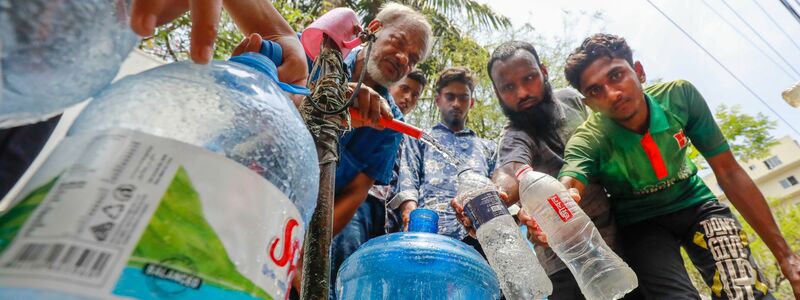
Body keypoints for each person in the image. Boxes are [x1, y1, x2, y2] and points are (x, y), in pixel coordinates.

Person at [558, 33, 800, 299]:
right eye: (595, 91)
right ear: (589, 103)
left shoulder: (679, 97)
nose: (612, 94)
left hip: (697, 205)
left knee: (745, 292)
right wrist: (553, 205)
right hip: (641, 223)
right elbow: (569, 181)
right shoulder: (588, 138)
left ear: (639, 72)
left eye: (616, 76)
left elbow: (728, 171)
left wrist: (787, 257)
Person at [482, 40, 625, 299]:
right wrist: (493, 196)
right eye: (509, 87)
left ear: (544, 72)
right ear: (498, 93)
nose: (522, 92)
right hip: (564, 262)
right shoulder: (513, 136)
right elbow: (510, 169)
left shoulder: (573, 101)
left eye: (529, 78)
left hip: (618, 240)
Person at [394, 67, 496, 251]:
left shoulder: (488, 147)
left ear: (471, 102)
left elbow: (500, 191)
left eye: (463, 97)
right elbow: (408, 179)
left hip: (479, 237)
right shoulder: (420, 138)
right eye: (450, 97)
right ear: (438, 101)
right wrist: (410, 214)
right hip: (430, 235)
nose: (456, 103)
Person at [367, 70, 428, 234]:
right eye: (404, 89)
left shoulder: (409, 138)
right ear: (391, 85)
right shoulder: (366, 116)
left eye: (415, 95)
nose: (408, 98)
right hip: (360, 203)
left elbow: (406, 176)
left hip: (389, 218)